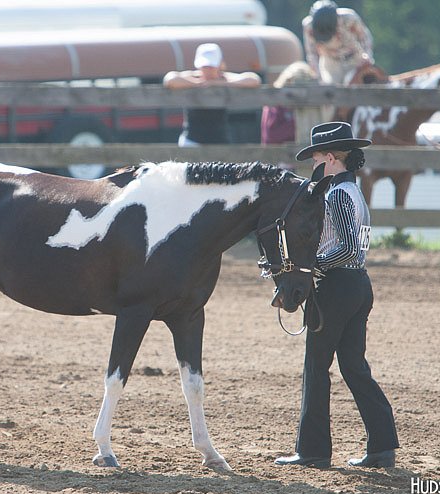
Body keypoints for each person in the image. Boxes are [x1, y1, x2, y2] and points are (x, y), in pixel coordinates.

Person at [275, 121, 399, 469]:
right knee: (354, 366)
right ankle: (382, 446)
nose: (313, 165)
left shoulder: (337, 195)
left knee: (316, 366)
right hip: (357, 285)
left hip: (336, 287)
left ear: (330, 158)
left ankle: (313, 451)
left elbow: (344, 250)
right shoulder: (354, 192)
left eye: (315, 158)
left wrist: (312, 266)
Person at [163, 43, 261, 146]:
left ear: (219, 65)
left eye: (212, 66)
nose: (208, 70)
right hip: (192, 140)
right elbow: (169, 80)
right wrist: (198, 83)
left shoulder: (225, 78)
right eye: (205, 67)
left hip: (220, 140)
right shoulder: (192, 76)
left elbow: (254, 80)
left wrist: (220, 83)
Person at [302, 0, 374, 85]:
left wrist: (367, 55)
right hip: (330, 62)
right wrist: (317, 76)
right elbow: (311, 53)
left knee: (354, 87)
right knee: (331, 90)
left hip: (354, 58)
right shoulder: (308, 27)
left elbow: (365, 37)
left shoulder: (349, 18)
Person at [261, 61, 320, 145]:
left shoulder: (314, 105)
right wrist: (298, 122)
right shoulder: (274, 104)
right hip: (279, 155)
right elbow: (271, 137)